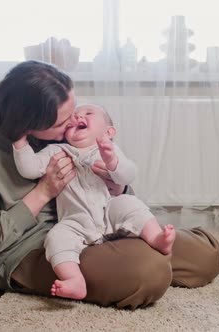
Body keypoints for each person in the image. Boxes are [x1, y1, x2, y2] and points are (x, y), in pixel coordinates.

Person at [0, 60, 219, 309]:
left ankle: (127, 254)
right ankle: (114, 264)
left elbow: (114, 188)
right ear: (28, 122)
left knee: (206, 256)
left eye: (73, 111)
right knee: (149, 271)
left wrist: (117, 186)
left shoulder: (61, 133)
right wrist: (44, 192)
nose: (73, 122)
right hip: (39, 248)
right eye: (62, 121)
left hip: (98, 224)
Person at [12, 104, 176, 300]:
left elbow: (128, 174)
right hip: (75, 220)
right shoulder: (56, 150)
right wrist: (20, 143)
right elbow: (29, 169)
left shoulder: (110, 150)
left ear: (109, 131)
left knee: (128, 204)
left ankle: (157, 238)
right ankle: (74, 279)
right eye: (74, 117)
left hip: (109, 211)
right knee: (56, 237)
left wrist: (112, 161)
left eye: (88, 113)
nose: (79, 116)